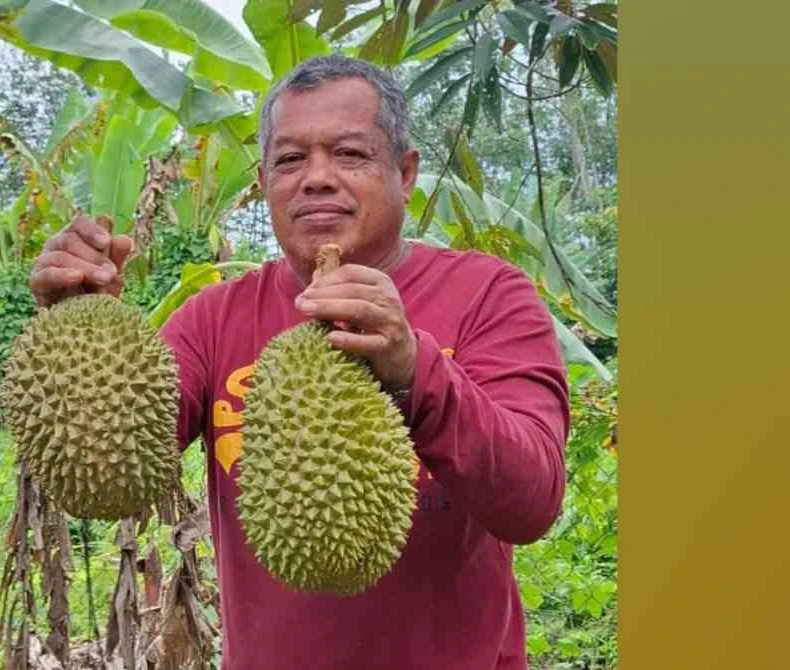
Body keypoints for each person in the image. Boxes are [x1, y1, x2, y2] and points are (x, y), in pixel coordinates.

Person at [29, 55, 570, 670]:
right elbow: (107, 480)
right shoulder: (213, 319)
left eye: (349, 154)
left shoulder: (487, 295)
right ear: (262, 182)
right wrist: (80, 329)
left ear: (406, 171)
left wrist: (414, 370)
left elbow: (533, 501)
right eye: (290, 160)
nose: (316, 178)